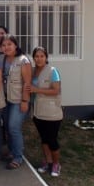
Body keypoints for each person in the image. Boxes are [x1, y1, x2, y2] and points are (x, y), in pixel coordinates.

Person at [27, 46, 63, 177]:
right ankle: (47, 161)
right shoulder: (33, 71)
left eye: (42, 56)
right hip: (37, 112)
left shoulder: (53, 71)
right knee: (44, 139)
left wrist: (37, 90)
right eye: (36, 56)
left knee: (52, 139)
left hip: (52, 113)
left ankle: (56, 163)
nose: (39, 58)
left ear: (46, 57)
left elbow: (56, 90)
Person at [0, 34, 32, 170]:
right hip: (6, 99)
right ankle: (13, 152)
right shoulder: (2, 59)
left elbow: (27, 83)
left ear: (16, 45)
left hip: (19, 100)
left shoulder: (23, 60)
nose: (7, 47)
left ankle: (18, 157)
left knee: (14, 127)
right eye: (4, 45)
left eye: (9, 44)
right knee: (7, 126)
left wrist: (25, 100)